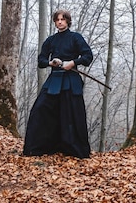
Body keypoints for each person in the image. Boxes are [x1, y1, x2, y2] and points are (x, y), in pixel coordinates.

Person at [23, 9, 93, 158]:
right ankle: (38, 147)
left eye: (62, 19)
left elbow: (87, 56)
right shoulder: (50, 40)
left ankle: (74, 149)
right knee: (40, 109)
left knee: (71, 113)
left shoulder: (76, 38)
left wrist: (73, 62)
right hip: (54, 80)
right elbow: (41, 61)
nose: (60, 22)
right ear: (55, 22)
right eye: (57, 19)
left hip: (71, 80)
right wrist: (51, 62)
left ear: (68, 21)